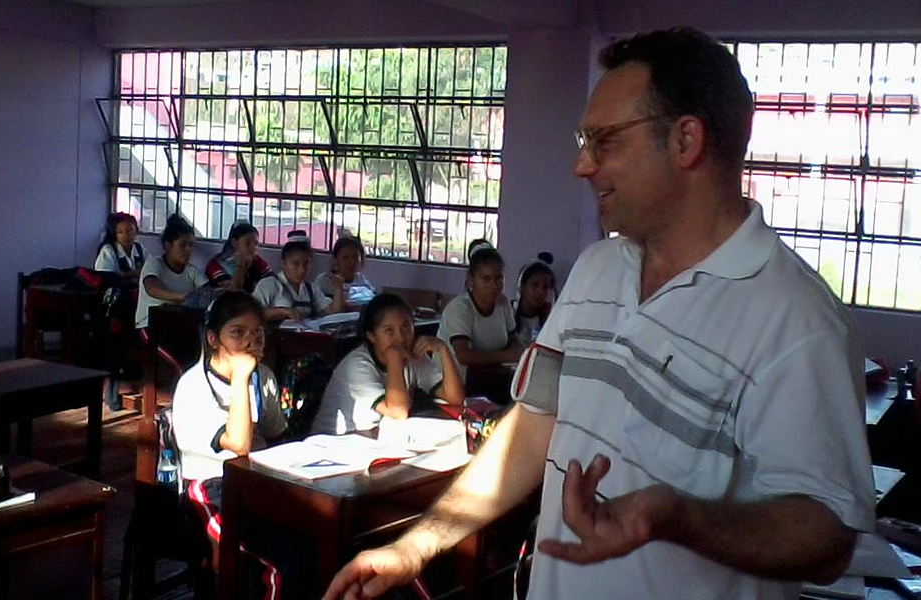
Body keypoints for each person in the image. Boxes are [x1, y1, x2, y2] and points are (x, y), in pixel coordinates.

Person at [323, 28, 875, 600]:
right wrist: (417, 544)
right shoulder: (596, 271)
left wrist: (677, 518)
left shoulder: (797, 322)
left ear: (686, 141)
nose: (582, 165)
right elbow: (535, 426)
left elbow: (826, 538)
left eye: (605, 141)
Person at [172, 292, 286, 544]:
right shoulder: (194, 386)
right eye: (238, 333)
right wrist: (241, 377)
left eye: (258, 332)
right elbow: (238, 444)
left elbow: (276, 432)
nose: (251, 340)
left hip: (255, 480)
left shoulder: (263, 375)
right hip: (209, 486)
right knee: (267, 548)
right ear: (213, 339)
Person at [311, 293, 464, 435]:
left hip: (376, 437)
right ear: (371, 336)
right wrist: (394, 360)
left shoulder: (412, 354)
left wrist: (443, 350)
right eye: (389, 331)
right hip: (335, 442)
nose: (401, 338)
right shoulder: (357, 365)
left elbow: (454, 399)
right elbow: (398, 411)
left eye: (406, 327)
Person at [436, 240, 523, 379]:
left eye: (499, 278)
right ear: (471, 280)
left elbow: (513, 339)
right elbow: (463, 356)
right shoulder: (460, 308)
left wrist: (518, 350)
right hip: (456, 380)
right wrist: (508, 356)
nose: (494, 286)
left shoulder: (502, 303)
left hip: (490, 375)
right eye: (486, 279)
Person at [252, 230, 346, 322]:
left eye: (306, 264)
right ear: (284, 264)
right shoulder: (269, 285)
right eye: (295, 264)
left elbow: (334, 312)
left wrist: (338, 289)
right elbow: (253, 313)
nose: (302, 270)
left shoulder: (312, 289)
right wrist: (282, 312)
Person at [134, 214, 208, 330]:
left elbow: (206, 289)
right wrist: (181, 297)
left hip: (177, 323)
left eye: (191, 245)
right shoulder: (154, 263)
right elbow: (151, 289)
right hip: (148, 325)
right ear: (168, 246)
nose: (188, 250)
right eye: (183, 245)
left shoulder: (192, 271)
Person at [205, 220, 273, 294]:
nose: (253, 248)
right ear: (234, 243)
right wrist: (241, 266)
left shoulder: (258, 261)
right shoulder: (216, 264)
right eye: (248, 243)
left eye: (256, 244)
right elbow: (233, 291)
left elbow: (273, 283)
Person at [315, 233, 378, 308]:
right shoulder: (324, 280)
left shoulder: (360, 279)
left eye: (355, 257)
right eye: (345, 258)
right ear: (336, 259)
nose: (351, 262)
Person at [512, 252, 557, 346]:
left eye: (545, 287)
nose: (540, 292)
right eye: (535, 285)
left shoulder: (549, 319)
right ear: (522, 287)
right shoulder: (507, 314)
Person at [94, 212, 145, 281]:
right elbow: (104, 277)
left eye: (129, 230)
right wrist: (132, 274)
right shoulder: (108, 250)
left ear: (136, 230)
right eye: (120, 232)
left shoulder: (139, 248)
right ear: (114, 234)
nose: (126, 235)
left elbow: (150, 268)